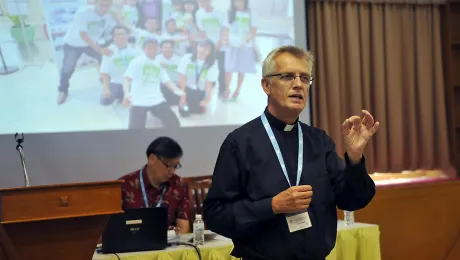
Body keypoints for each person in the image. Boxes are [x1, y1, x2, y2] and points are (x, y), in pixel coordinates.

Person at [203, 46, 380, 260]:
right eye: (287, 76)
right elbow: (215, 215)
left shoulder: (318, 141)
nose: (298, 84)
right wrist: (271, 206)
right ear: (266, 85)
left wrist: (354, 158)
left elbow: (352, 200)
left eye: (305, 78)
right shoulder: (240, 142)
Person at [119, 137, 191, 234]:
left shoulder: (179, 184)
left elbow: (183, 229)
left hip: (169, 245)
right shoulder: (125, 185)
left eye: (175, 166)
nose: (172, 171)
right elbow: (113, 228)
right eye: (169, 165)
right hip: (133, 244)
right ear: (152, 159)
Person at [57, 0, 117, 105]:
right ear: (95, 3)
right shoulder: (83, 13)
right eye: (101, 5)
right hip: (73, 43)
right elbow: (83, 35)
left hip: (91, 43)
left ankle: (105, 80)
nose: (104, 8)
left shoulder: (108, 16)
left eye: (107, 6)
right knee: (68, 68)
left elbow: (109, 32)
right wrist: (100, 49)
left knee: (105, 59)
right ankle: (63, 90)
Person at [122, 39, 184, 129]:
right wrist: (126, 94)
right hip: (138, 101)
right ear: (144, 49)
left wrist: (178, 91)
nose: (151, 50)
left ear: (158, 49)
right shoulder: (136, 61)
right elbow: (127, 78)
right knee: (134, 131)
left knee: (174, 124)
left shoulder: (159, 63)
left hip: (157, 100)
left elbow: (167, 81)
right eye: (149, 48)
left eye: (154, 48)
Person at [99, 26, 140, 105]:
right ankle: (122, 95)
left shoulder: (135, 48)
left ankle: (125, 95)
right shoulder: (109, 51)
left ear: (127, 35)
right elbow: (104, 73)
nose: (121, 36)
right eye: (117, 35)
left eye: (123, 34)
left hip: (133, 82)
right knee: (105, 100)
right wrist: (106, 89)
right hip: (116, 82)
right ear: (113, 37)